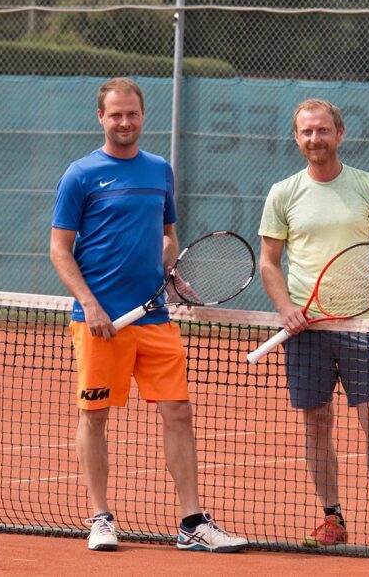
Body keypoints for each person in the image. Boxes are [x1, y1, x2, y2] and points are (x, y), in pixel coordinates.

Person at [50, 77, 247, 553]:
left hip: (155, 319)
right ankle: (100, 518)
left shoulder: (160, 171)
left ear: (143, 116)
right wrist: (92, 305)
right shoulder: (80, 174)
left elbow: (168, 239)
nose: (123, 122)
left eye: (131, 114)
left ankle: (191, 524)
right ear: (101, 117)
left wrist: (173, 277)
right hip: (100, 322)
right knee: (94, 415)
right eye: (115, 114)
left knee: (178, 412)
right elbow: (60, 250)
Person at [258, 98, 369, 550]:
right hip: (306, 330)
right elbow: (269, 264)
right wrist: (284, 309)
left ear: (339, 133)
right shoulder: (283, 193)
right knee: (316, 424)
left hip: (360, 326)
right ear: (296, 138)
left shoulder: (368, 187)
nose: (315, 139)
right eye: (306, 132)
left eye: (322, 130)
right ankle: (332, 518)